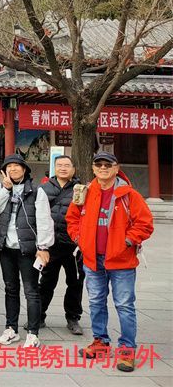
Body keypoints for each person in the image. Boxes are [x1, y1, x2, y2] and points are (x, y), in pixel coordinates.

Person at [66, 151, 154, 373]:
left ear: (116, 168)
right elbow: (72, 218)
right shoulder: (85, 192)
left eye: (108, 164)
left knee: (124, 305)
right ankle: (100, 342)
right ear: (93, 168)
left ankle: (127, 349)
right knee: (96, 302)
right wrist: (79, 239)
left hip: (121, 260)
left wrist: (127, 241)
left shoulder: (129, 194)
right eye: (99, 164)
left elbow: (145, 223)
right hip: (92, 259)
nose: (103, 168)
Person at [0, 153, 54, 348]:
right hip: (6, 247)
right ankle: (11, 329)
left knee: (31, 291)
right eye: (9, 167)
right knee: (10, 288)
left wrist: (43, 246)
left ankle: (33, 333)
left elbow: (44, 220)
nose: (13, 169)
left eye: (17, 166)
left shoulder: (36, 191)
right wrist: (4, 189)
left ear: (25, 169)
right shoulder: (2, 188)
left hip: (28, 249)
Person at [37, 155, 84, 335]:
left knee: (75, 282)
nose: (63, 168)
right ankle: (39, 316)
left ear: (73, 169)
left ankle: (73, 318)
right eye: (59, 165)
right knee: (46, 282)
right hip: (51, 245)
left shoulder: (81, 189)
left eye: (67, 165)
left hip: (73, 246)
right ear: (54, 168)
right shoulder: (43, 188)